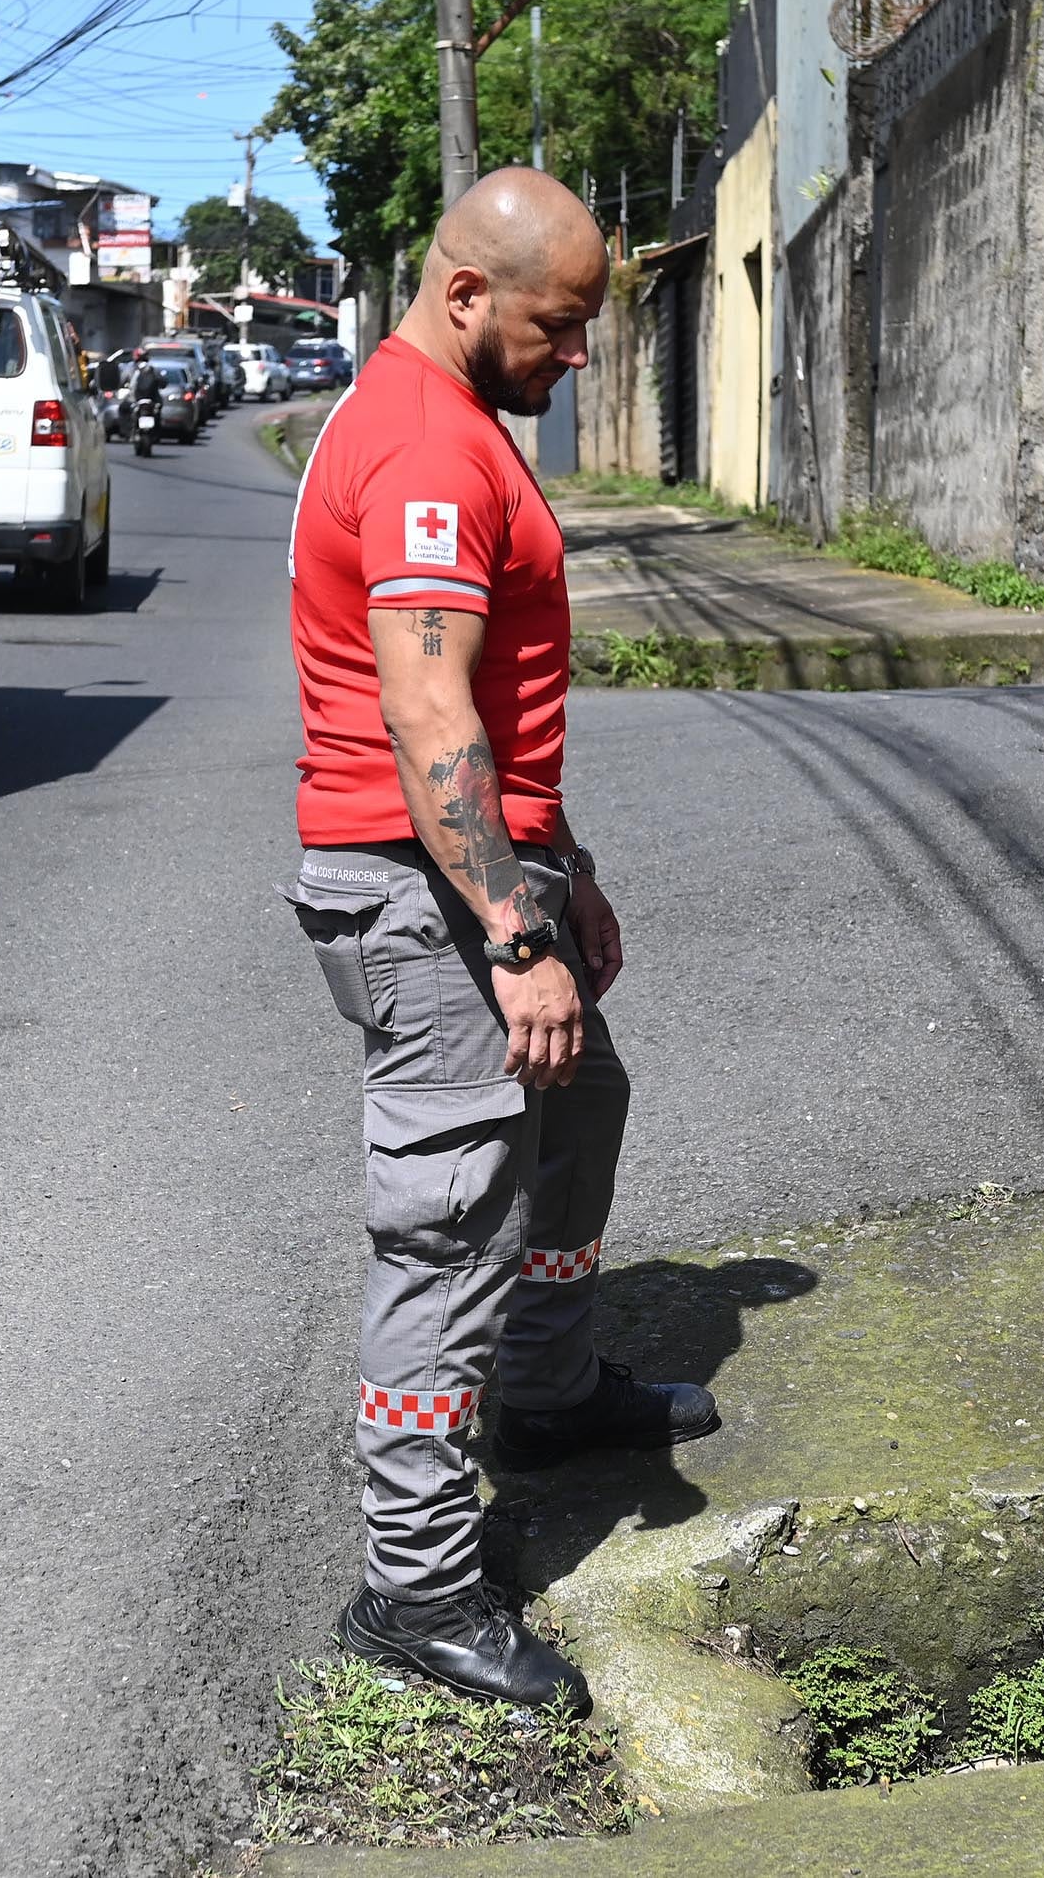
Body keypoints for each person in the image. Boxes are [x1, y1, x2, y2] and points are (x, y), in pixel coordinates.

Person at [282, 168, 720, 1710]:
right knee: (450, 1221)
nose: (581, 354)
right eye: (563, 322)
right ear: (467, 295)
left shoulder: (454, 427)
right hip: (424, 896)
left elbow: (498, 715)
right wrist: (506, 929)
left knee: (581, 1106)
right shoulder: (418, 442)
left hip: (483, 871)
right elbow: (423, 703)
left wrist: (557, 868)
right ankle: (414, 1588)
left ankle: (539, 1391)